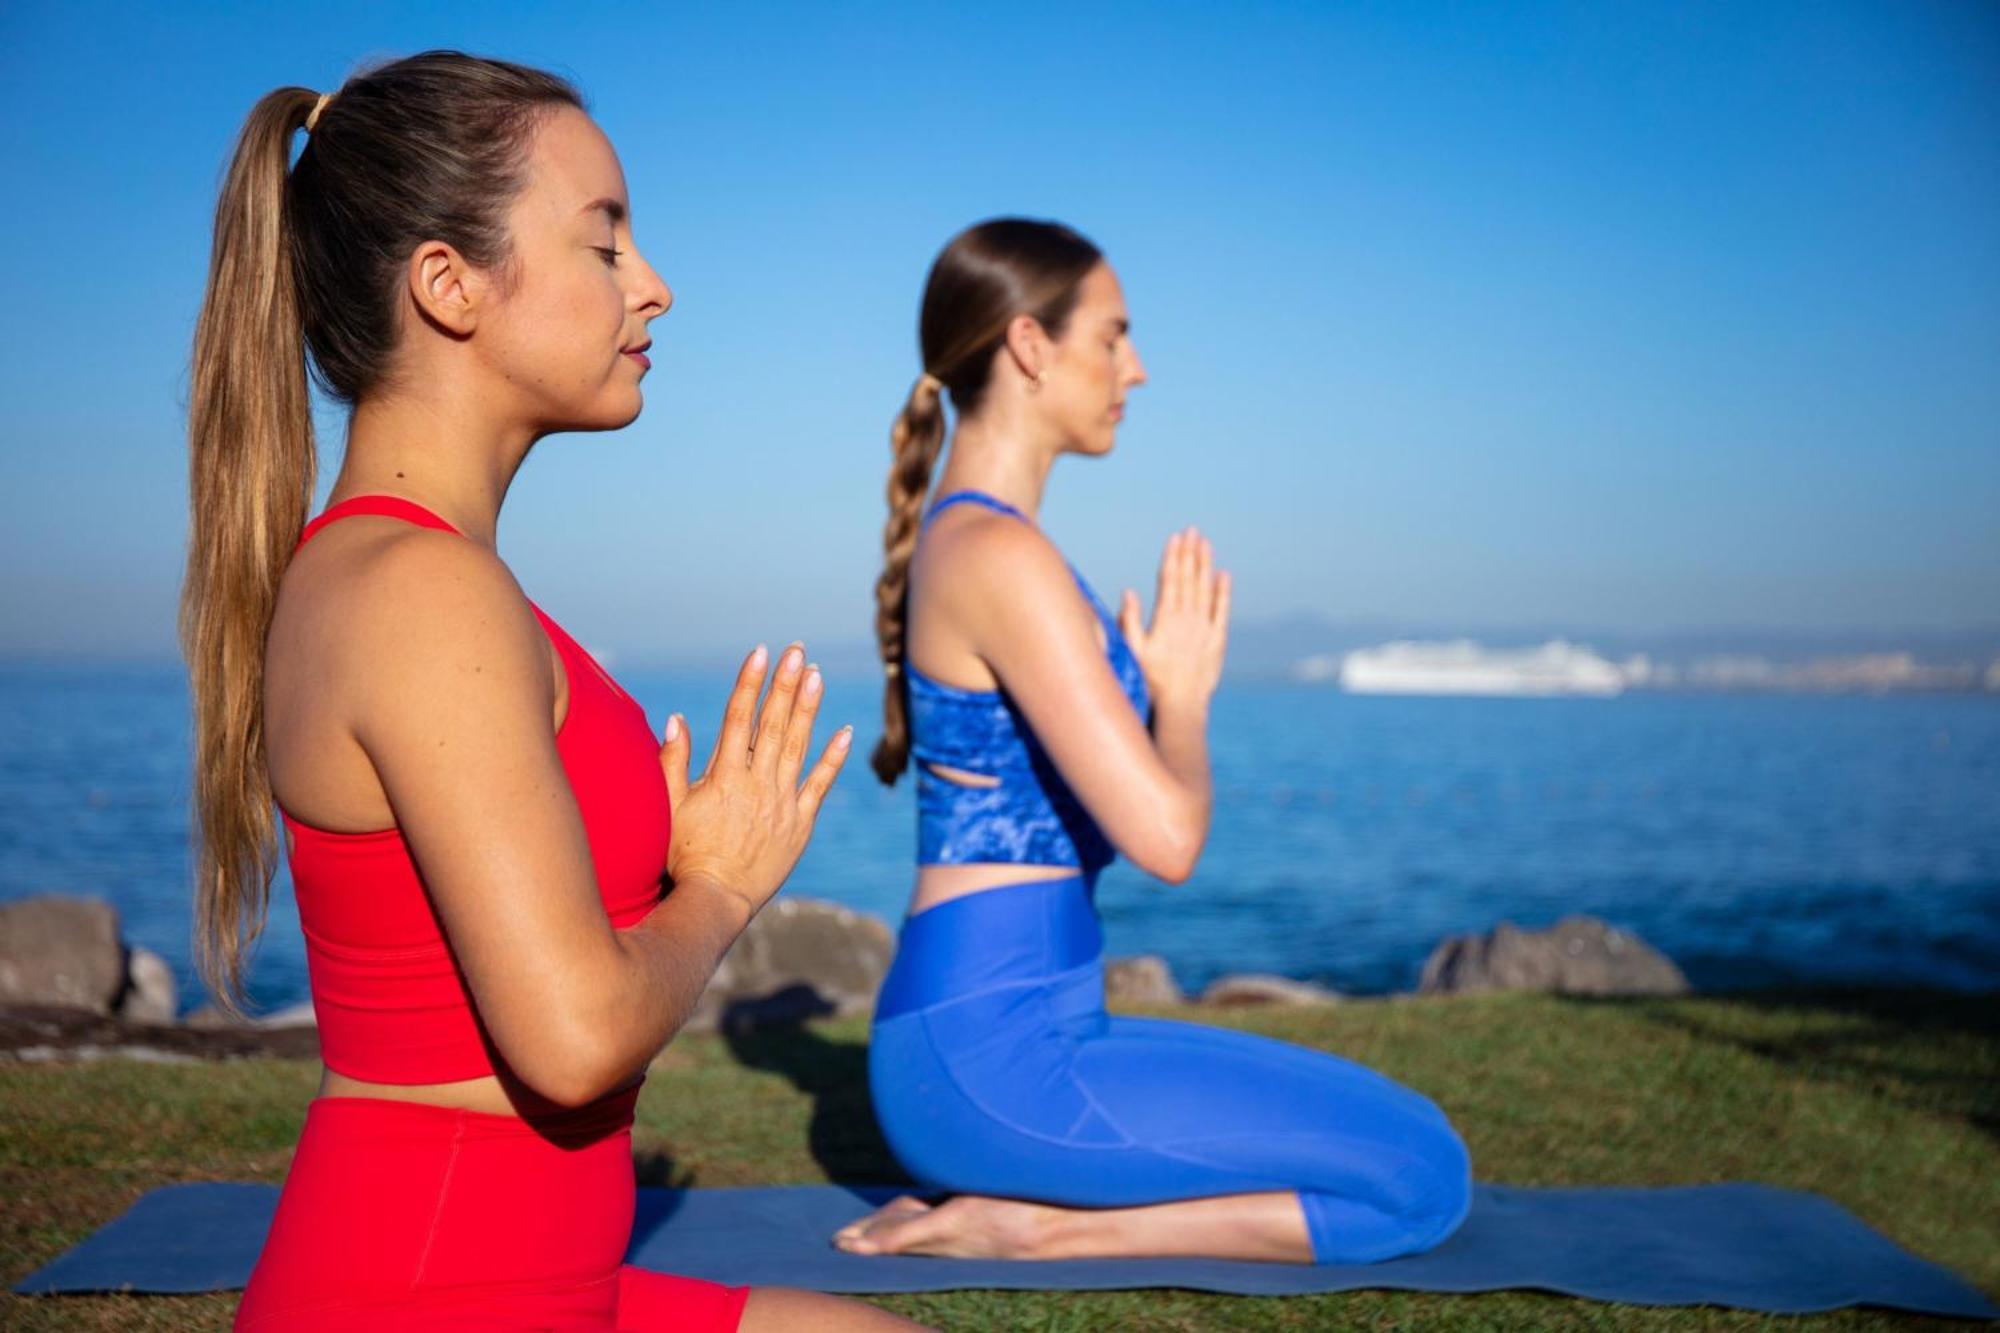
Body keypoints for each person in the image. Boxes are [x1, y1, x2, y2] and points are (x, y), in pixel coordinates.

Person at [182, 50, 918, 1330]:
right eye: (605, 244)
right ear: (448, 286)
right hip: (429, 1292)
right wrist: (722, 884)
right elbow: (572, 1038)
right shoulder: (420, 591)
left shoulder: (407, 570)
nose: (654, 286)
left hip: (533, 1276)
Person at [838, 218, 1473, 1265]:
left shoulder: (992, 542)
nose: (1136, 367)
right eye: (1111, 337)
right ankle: (1041, 1230)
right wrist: (1179, 698)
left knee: (1417, 1135)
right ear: (1030, 347)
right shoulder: (996, 553)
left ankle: (1039, 1207)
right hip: (993, 1054)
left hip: (1020, 1026)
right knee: (1417, 1181)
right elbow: (1167, 840)